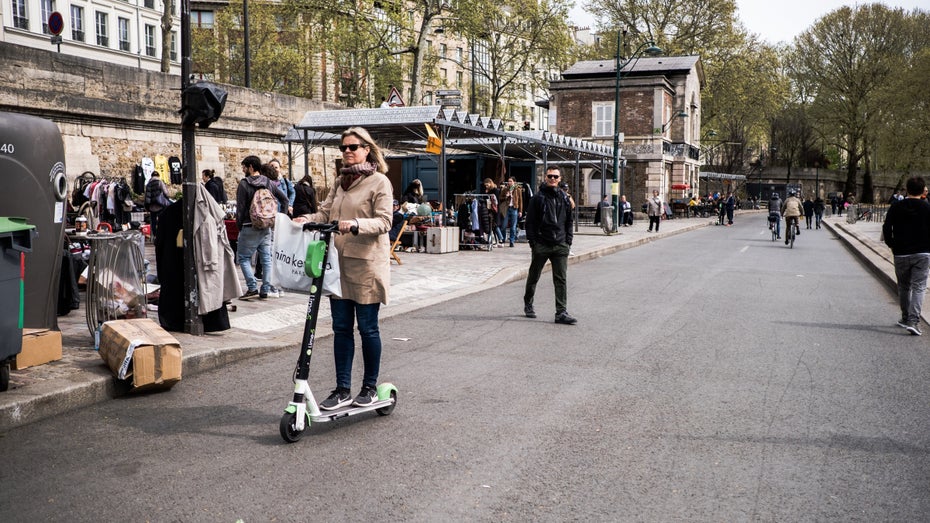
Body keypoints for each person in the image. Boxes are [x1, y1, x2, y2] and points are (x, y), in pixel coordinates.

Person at [293, 127, 393, 408]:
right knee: (341, 328)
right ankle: (342, 389)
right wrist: (306, 219)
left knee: (368, 328)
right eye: (343, 148)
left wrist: (357, 224)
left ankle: (370, 387)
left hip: (366, 266)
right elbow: (325, 213)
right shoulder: (341, 182)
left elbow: (385, 221)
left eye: (353, 147)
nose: (347, 152)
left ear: (367, 149)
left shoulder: (379, 182)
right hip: (338, 265)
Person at [523, 166, 576, 325]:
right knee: (534, 276)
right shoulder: (538, 198)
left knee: (561, 279)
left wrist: (568, 241)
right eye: (550, 176)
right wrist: (533, 243)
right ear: (545, 178)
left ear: (560, 179)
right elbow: (530, 222)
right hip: (542, 244)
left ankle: (561, 312)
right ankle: (528, 303)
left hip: (560, 244)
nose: (552, 179)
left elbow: (569, 221)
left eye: (555, 176)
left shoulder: (565, 198)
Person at [234, 155, 288, 300]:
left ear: (251, 167)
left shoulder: (244, 184)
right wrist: (279, 218)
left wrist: (239, 226)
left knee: (243, 257)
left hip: (249, 225)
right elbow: (285, 199)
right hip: (266, 226)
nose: (243, 170)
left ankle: (252, 288)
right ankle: (265, 289)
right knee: (266, 258)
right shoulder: (269, 182)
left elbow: (240, 208)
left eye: (244, 167)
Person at [882, 177, 930, 336]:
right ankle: (913, 321)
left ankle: (905, 317)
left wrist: (891, 244)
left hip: (901, 252)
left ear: (906, 189)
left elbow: (887, 227)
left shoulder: (896, 206)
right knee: (919, 287)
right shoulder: (927, 207)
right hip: (923, 252)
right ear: (923, 190)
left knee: (903, 286)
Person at [144, 171, 171, 241]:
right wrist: (167, 198)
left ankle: (155, 236)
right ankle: (161, 235)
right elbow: (166, 193)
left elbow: (147, 197)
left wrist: (147, 206)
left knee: (153, 222)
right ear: (158, 176)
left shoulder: (148, 184)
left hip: (152, 207)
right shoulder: (160, 182)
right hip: (160, 205)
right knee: (161, 220)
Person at [483, 178, 504, 243]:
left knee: (495, 225)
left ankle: (500, 238)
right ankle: (493, 239)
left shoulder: (495, 190)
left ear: (490, 183)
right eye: (485, 185)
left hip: (495, 210)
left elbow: (496, 201)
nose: (486, 186)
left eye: (487, 185)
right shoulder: (488, 191)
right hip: (490, 210)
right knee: (491, 225)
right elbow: (485, 199)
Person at [503, 177, 522, 247]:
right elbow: (500, 198)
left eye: (510, 181)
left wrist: (520, 211)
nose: (509, 183)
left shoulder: (518, 190)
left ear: (514, 182)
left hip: (514, 209)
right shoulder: (505, 189)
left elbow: (520, 201)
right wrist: (506, 196)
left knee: (513, 227)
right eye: (508, 181)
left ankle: (512, 241)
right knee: (504, 225)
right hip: (507, 209)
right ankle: (503, 239)